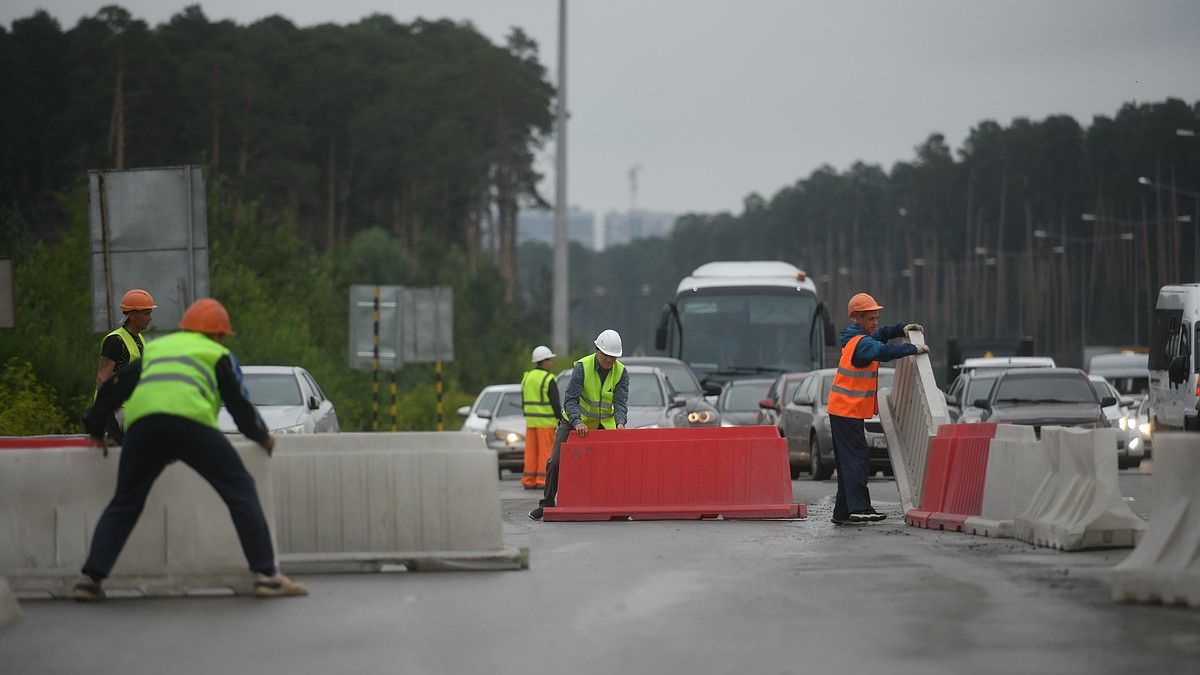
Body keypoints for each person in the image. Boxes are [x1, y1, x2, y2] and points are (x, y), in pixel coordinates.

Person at [74, 298, 308, 601]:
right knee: (240, 489)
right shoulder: (216, 353)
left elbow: (116, 385)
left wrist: (94, 428)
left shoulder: (158, 349)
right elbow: (237, 405)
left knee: (125, 502)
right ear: (216, 334)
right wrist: (261, 437)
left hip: (144, 428)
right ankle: (267, 575)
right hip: (191, 427)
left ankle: (90, 580)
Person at [827, 292, 928, 526]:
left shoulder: (859, 337)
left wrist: (901, 328)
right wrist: (914, 349)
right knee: (857, 460)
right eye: (871, 318)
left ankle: (843, 511)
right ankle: (860, 508)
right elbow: (882, 352)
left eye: (876, 317)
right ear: (858, 318)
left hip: (843, 410)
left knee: (848, 461)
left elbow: (882, 335)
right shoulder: (862, 343)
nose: (875, 323)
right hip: (846, 410)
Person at [528, 329, 629, 520]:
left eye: (613, 356)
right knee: (556, 460)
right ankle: (547, 503)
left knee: (614, 463)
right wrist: (577, 421)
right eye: (606, 355)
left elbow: (621, 403)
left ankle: (615, 505)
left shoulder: (622, 372)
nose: (609, 360)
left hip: (603, 424)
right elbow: (570, 401)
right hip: (574, 421)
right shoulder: (582, 367)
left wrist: (620, 422)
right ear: (597, 349)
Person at [95, 289, 157, 445]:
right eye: (146, 314)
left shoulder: (139, 339)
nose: (150, 318)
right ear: (131, 314)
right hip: (112, 414)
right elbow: (102, 379)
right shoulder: (116, 341)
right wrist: (117, 410)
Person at [520, 345, 563, 490]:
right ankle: (543, 479)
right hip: (545, 422)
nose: (551, 363)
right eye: (549, 360)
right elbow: (555, 402)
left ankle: (529, 479)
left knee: (531, 452)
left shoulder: (527, 377)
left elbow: (523, 399)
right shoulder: (548, 378)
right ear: (543, 361)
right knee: (546, 451)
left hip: (530, 422)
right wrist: (561, 417)